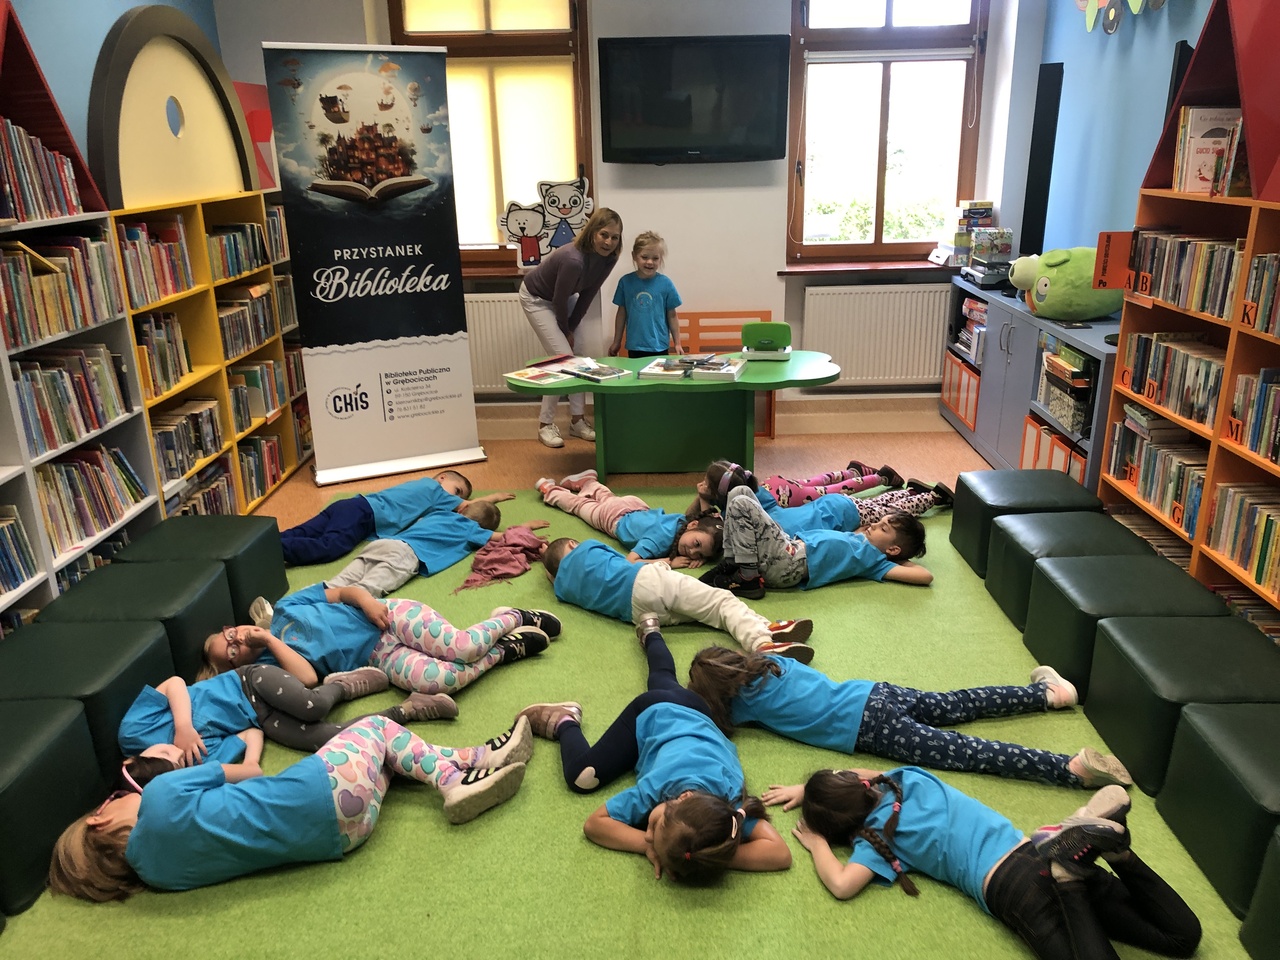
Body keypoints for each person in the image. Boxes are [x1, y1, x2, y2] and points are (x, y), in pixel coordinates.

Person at [48, 713, 533, 899]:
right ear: (100, 817)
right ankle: (454, 780)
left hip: (343, 836)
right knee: (376, 729)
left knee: (390, 759)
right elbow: (250, 774)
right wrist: (245, 750)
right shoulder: (159, 795)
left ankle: (480, 757)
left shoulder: (158, 877)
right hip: (320, 790)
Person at [769, 771, 1201, 960]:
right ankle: (1117, 853)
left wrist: (818, 842)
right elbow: (859, 772)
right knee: (1182, 938)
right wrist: (811, 787)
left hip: (1014, 888)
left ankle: (1069, 880)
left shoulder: (876, 838)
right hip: (1035, 851)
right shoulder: (907, 778)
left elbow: (842, 884)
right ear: (861, 784)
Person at [514, 620, 791, 881]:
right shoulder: (658, 788)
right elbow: (594, 824)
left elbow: (779, 853)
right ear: (681, 798)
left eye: (649, 832)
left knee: (662, 677)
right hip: (653, 712)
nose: (647, 835)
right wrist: (661, 847)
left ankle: (651, 632)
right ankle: (565, 721)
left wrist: (707, 853)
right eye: (652, 827)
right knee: (582, 777)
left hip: (698, 711)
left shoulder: (722, 818)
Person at [687, 646, 1133, 788]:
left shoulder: (740, 706)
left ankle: (1068, 769)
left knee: (965, 751)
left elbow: (706, 714)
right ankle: (1049, 695)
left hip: (868, 729)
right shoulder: (772, 662)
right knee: (958, 703)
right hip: (874, 692)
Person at [198, 584, 559, 708]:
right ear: (238, 666)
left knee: (461, 648)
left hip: (387, 617)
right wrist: (267, 640)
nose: (236, 640)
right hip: (380, 656)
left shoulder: (287, 607)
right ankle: (504, 650)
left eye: (230, 635)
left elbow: (344, 592)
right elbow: (307, 679)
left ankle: (513, 617)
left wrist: (369, 602)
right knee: (439, 682)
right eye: (232, 652)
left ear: (231, 627)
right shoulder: (272, 666)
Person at [120, 660, 458, 762]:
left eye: (165, 752)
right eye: (174, 763)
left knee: (312, 706)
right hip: (261, 719)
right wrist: (251, 764)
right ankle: (407, 710)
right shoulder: (188, 765)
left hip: (249, 682)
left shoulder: (133, 733)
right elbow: (247, 734)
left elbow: (175, 682)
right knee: (330, 739)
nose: (175, 753)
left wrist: (183, 727)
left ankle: (342, 686)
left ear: (132, 761)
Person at [542, 536, 814, 662]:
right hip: (645, 582)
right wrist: (663, 564)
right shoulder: (587, 547)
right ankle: (762, 643)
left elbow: (553, 577)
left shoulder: (562, 589)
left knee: (709, 613)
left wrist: (550, 566)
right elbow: (625, 562)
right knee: (721, 601)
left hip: (638, 614)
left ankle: (768, 627)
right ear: (572, 545)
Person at [277, 471, 539, 590]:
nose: (457, 499)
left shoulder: (430, 497)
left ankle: (268, 542)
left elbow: (466, 510)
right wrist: (494, 499)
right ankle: (278, 549)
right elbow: (470, 510)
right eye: (457, 490)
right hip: (364, 515)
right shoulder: (435, 491)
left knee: (305, 531)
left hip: (351, 505)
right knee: (331, 546)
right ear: (442, 478)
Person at [701, 478, 939, 598]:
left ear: (894, 549)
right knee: (740, 492)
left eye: (883, 529)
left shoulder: (876, 562)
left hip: (787, 564)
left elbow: (925, 575)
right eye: (880, 522)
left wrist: (894, 559)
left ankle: (747, 578)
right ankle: (733, 562)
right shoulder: (862, 539)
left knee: (742, 503)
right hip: (788, 545)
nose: (874, 525)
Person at [519, 207, 624, 447]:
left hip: (563, 296)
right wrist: (566, 331)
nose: (608, 242)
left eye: (615, 237)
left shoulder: (609, 258)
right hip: (537, 298)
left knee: (580, 357)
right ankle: (545, 425)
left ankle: (577, 421)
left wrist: (572, 327)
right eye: (604, 234)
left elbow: (587, 295)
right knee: (563, 359)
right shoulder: (573, 259)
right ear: (592, 232)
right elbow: (558, 300)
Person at [536, 468, 720, 566]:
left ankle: (589, 482)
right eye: (696, 544)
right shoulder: (660, 540)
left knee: (608, 497)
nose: (692, 552)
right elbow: (631, 561)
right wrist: (669, 562)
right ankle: (549, 490)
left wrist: (702, 497)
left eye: (699, 553)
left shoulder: (684, 523)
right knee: (579, 505)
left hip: (635, 505)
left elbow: (703, 519)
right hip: (612, 518)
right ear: (693, 525)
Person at [607, 230, 683, 359]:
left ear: (661, 259)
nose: (650, 262)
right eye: (645, 257)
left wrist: (677, 343)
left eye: (655, 258)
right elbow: (621, 314)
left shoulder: (666, 284)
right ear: (634, 256)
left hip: (660, 346)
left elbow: (672, 315)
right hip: (635, 346)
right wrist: (616, 342)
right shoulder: (625, 282)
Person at [762, 458, 907, 508]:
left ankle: (881, 477)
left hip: (782, 497)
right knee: (814, 482)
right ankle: (852, 473)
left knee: (833, 490)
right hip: (770, 484)